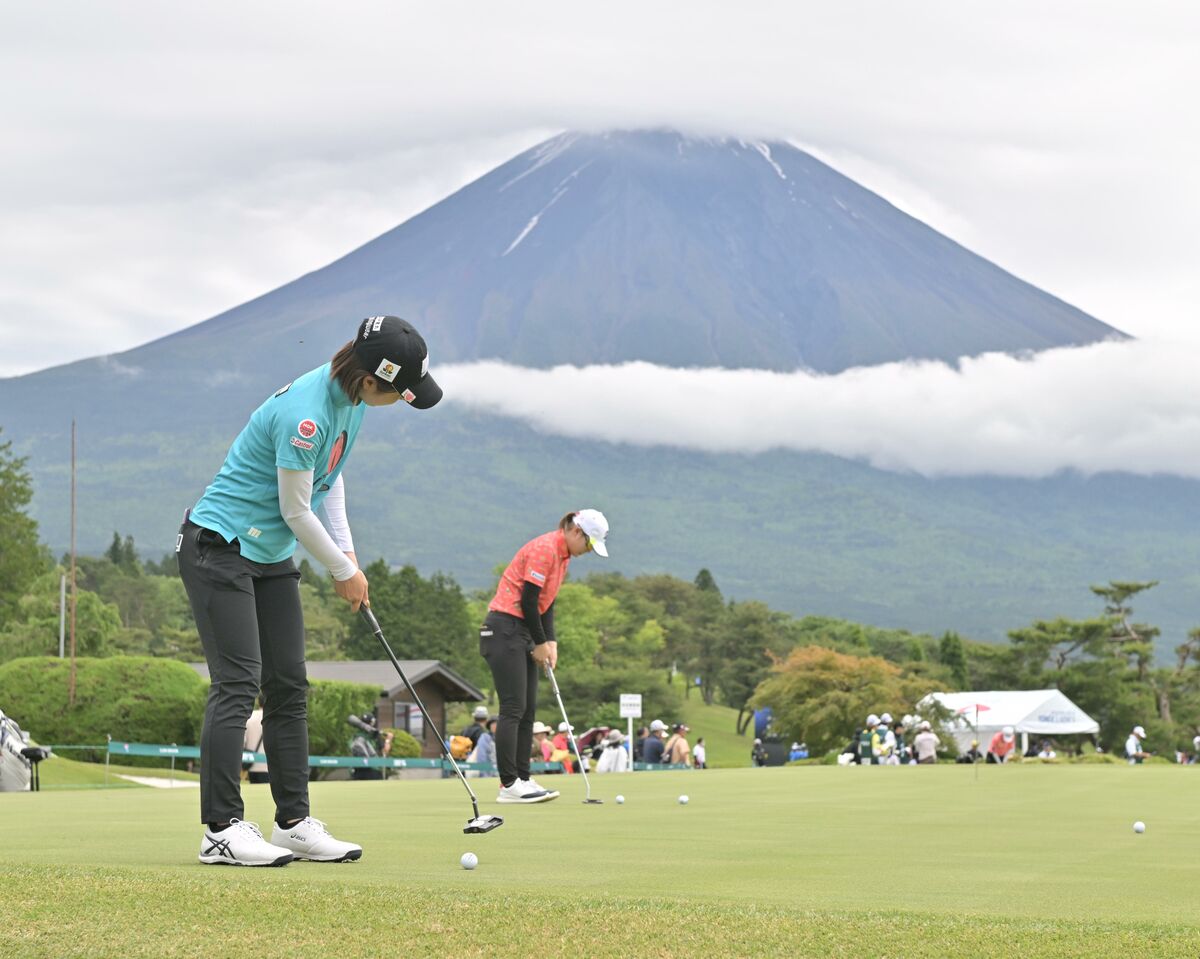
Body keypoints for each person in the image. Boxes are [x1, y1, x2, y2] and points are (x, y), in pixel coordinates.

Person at [179, 314, 441, 866]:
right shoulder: (305, 413)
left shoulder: (349, 396)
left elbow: (331, 475)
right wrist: (341, 573)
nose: (402, 399)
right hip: (220, 546)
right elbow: (295, 509)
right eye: (401, 391)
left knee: (289, 686)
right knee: (237, 683)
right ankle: (220, 830)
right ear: (372, 379)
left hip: (269, 556)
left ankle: (292, 823)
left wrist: (346, 552)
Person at [479, 510, 609, 803]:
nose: (587, 552)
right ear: (576, 531)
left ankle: (524, 778)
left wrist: (550, 642)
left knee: (528, 709)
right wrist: (539, 642)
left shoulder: (562, 558)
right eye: (588, 545)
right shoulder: (545, 549)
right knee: (513, 707)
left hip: (522, 630)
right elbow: (527, 599)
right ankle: (508, 784)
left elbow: (545, 603)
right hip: (504, 629)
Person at [243, 708, 269, 784]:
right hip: (266, 765)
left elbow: (243, 741)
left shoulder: (249, 716)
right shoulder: (271, 717)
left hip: (250, 764)